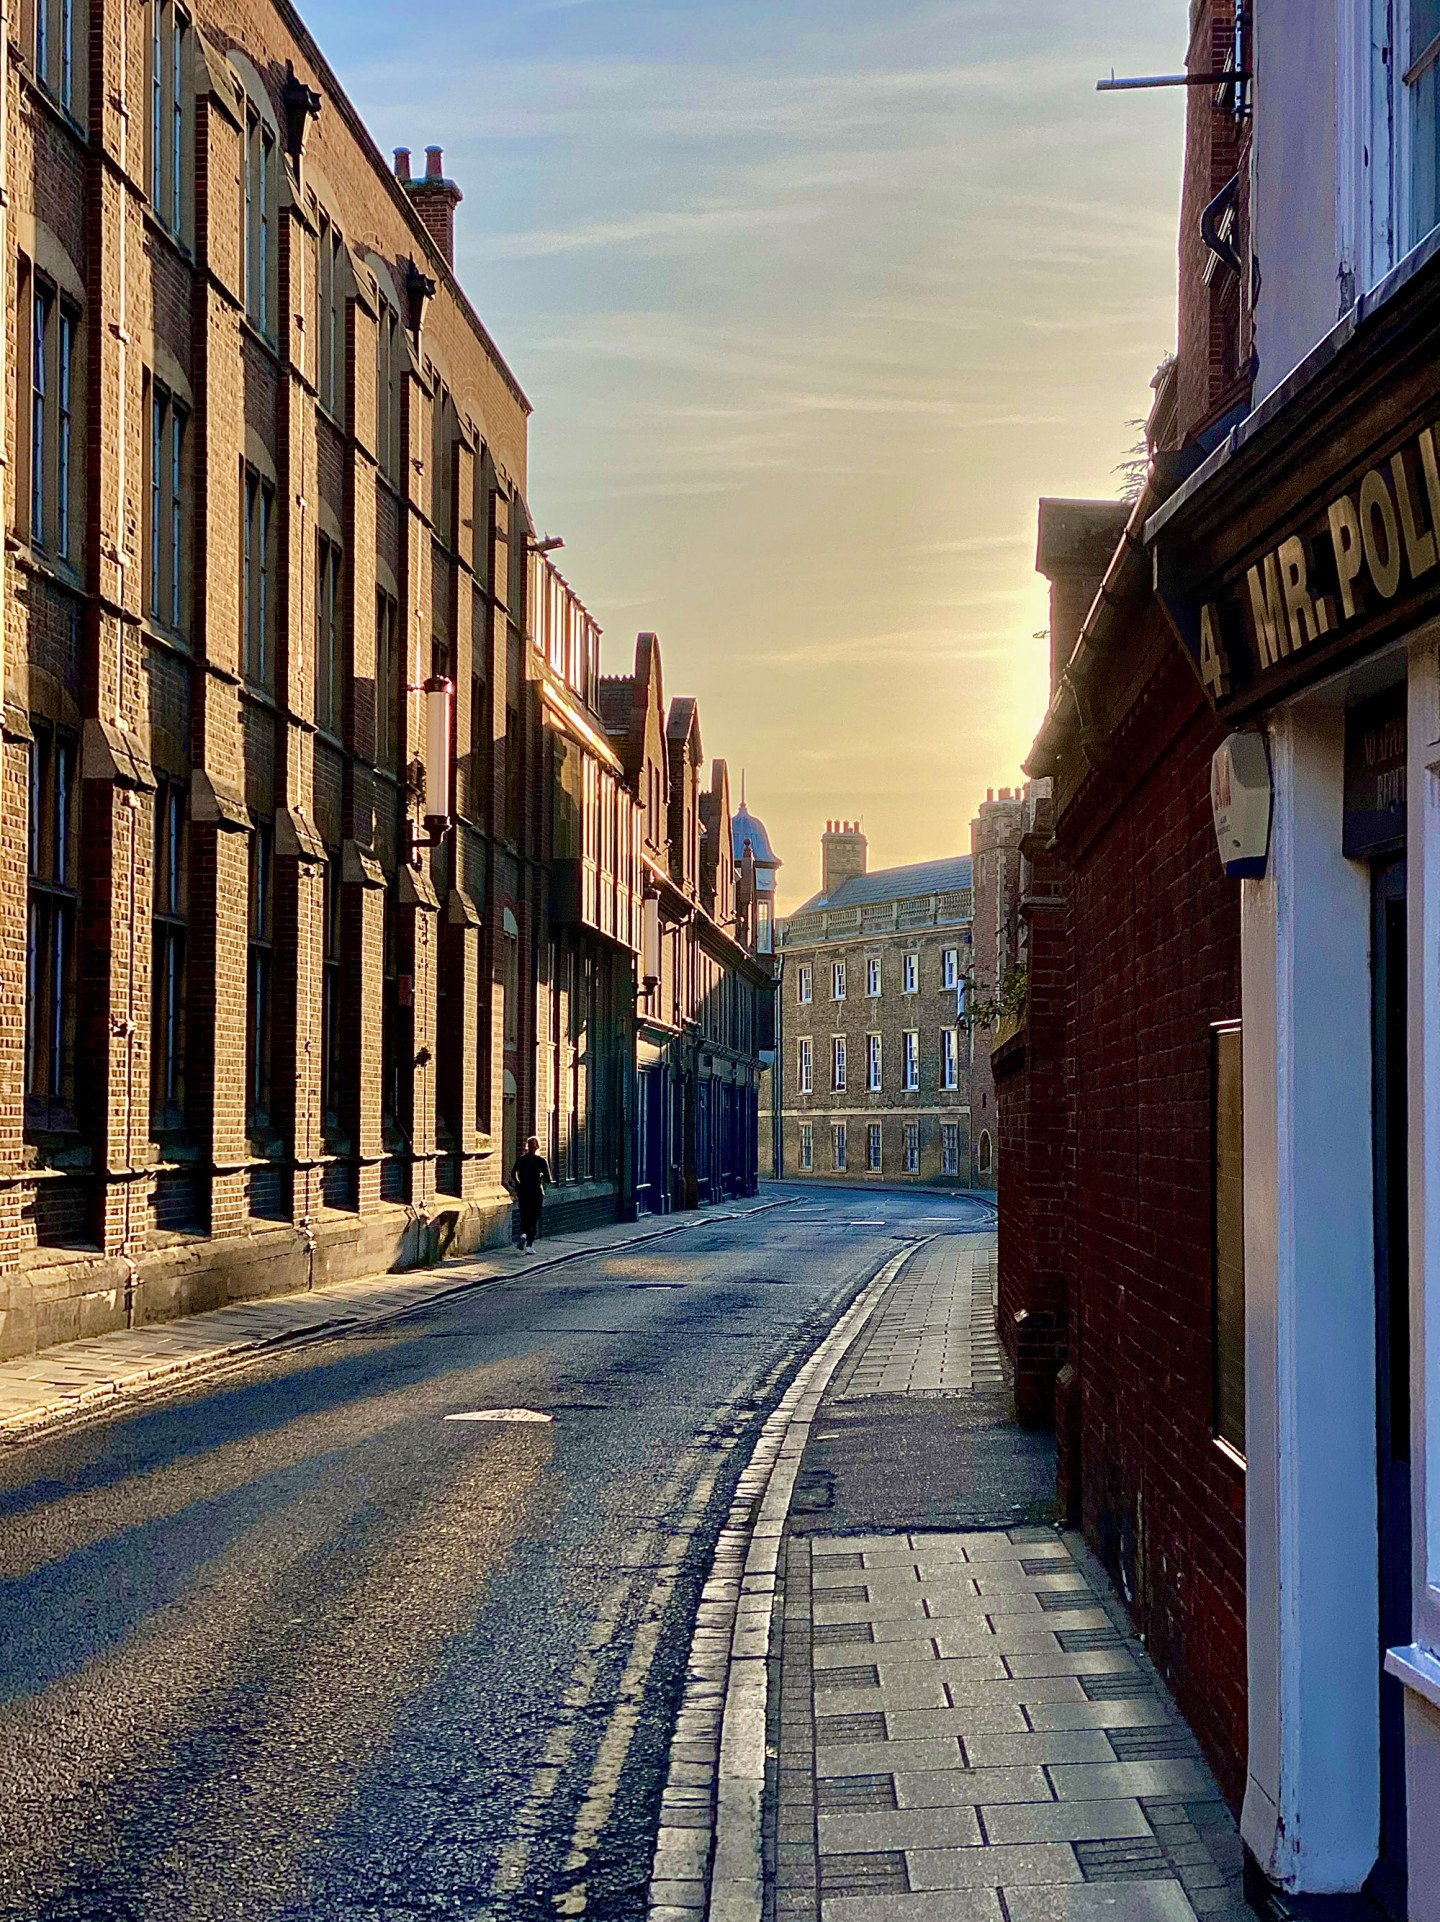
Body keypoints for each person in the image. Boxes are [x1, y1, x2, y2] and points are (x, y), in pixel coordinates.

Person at [510, 1135, 551, 1250]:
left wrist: (519, 1184)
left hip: (524, 1191)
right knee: (534, 1218)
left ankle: (523, 1234)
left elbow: (514, 1173)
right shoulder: (541, 1161)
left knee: (525, 1215)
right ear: (538, 1146)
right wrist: (541, 1180)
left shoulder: (521, 1160)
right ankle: (529, 1246)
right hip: (536, 1191)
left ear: (527, 1146)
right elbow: (548, 1179)